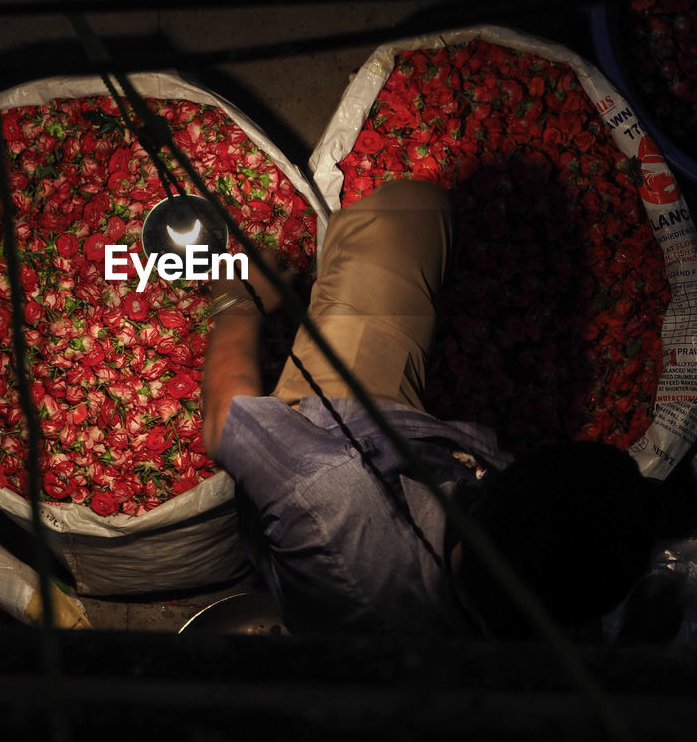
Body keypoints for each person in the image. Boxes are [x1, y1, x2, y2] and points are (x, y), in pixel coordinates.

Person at [200, 179, 657, 638]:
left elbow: (224, 426)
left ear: (490, 490)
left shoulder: (335, 505)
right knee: (423, 223)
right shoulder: (552, 620)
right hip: (411, 458)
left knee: (405, 212)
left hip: (336, 437)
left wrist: (237, 304)